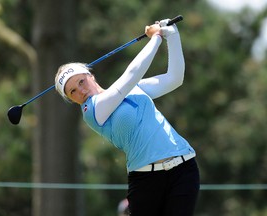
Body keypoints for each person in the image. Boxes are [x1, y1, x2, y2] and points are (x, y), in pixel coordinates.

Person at [55, 18, 200, 216]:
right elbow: (132, 74)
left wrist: (172, 35)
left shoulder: (132, 89)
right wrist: (156, 37)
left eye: (81, 81)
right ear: (72, 99)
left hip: (184, 168)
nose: (80, 91)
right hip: (146, 180)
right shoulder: (93, 111)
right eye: (72, 91)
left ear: (91, 76)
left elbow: (175, 78)